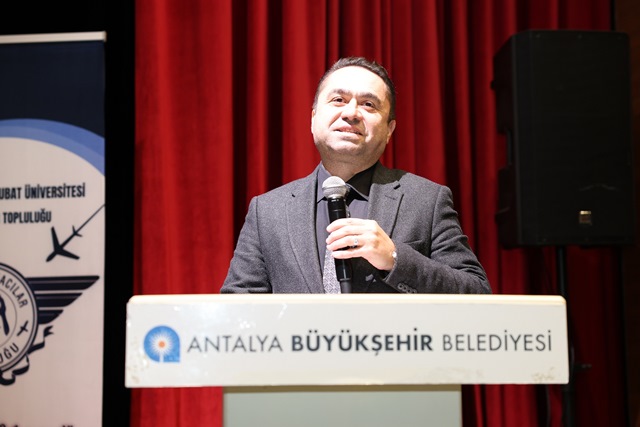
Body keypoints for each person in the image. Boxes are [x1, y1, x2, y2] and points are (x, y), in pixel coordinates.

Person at [221, 56, 490, 294]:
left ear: (389, 130)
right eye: (338, 100)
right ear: (313, 119)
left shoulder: (427, 200)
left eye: (369, 104)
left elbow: (476, 292)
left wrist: (395, 258)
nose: (351, 113)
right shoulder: (267, 211)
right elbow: (237, 307)